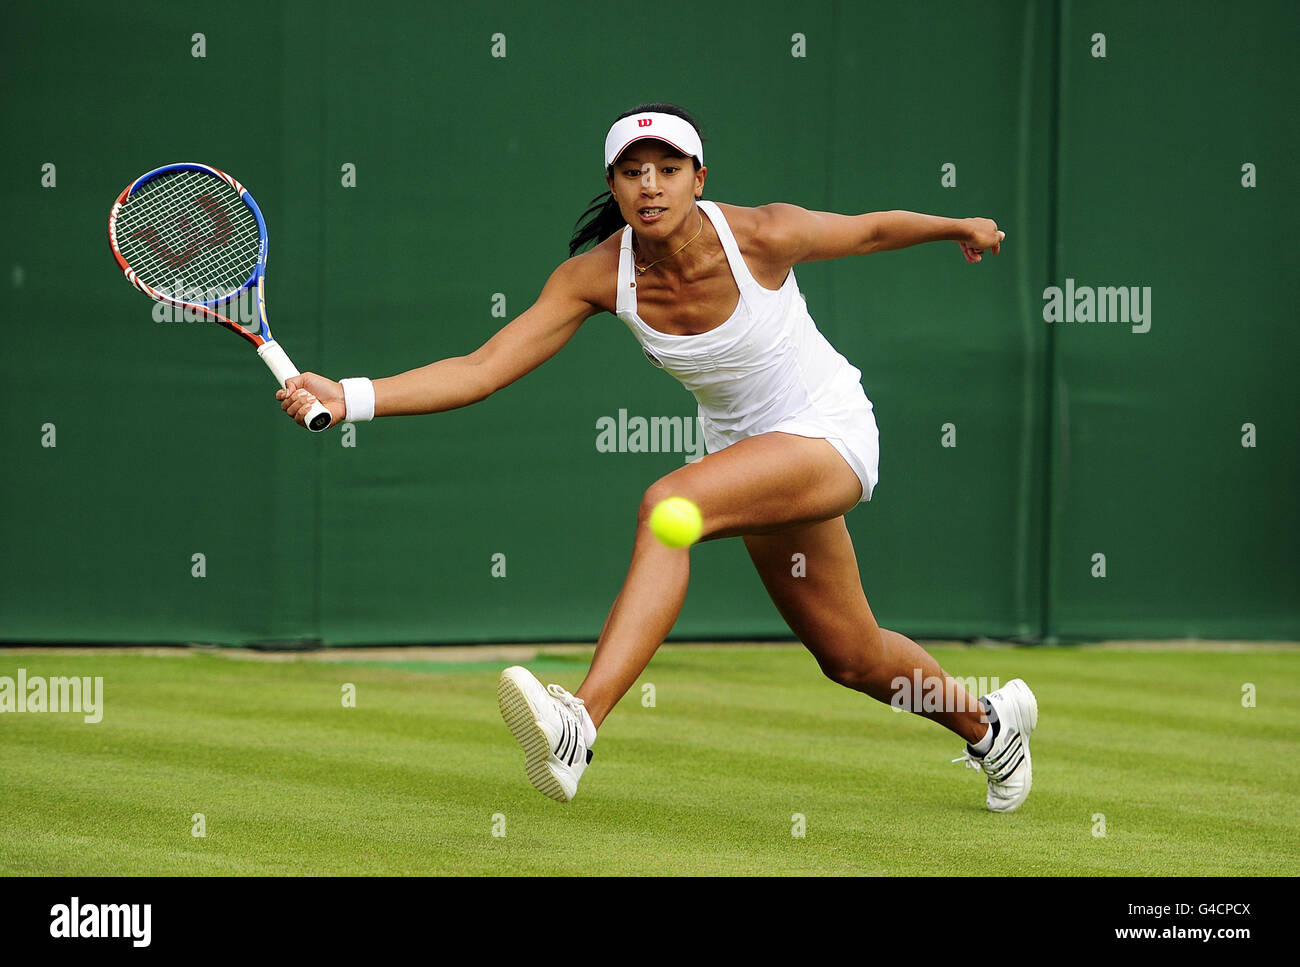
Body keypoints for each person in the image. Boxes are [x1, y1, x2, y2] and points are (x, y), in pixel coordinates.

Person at [277, 102, 1038, 813]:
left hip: (829, 428)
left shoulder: (763, 234)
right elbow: (484, 367)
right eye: (633, 171)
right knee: (852, 655)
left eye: (668, 168)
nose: (651, 185)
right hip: (747, 457)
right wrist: (352, 394)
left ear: (699, 178)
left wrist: (957, 225)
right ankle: (992, 730)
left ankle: (581, 721)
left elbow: (869, 231)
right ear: (612, 184)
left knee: (670, 506)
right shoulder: (596, 277)